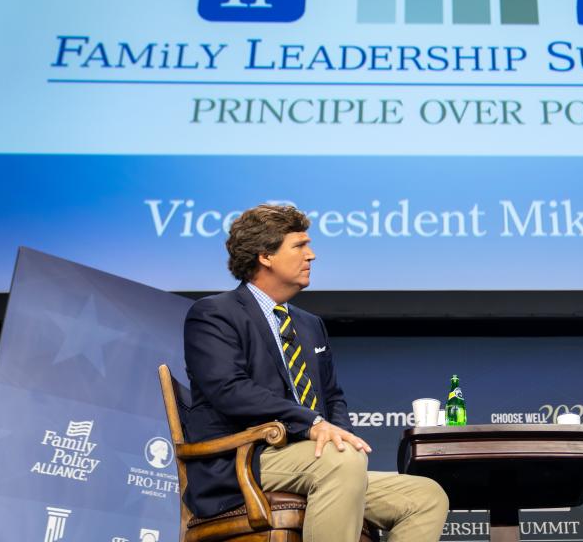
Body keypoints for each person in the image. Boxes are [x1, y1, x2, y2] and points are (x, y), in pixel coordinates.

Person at [183, 204, 448, 542]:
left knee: (425, 496)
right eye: (299, 246)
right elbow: (230, 390)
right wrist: (311, 423)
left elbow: (332, 395)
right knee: (341, 461)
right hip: (246, 462)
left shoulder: (310, 325)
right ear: (265, 255)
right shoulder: (213, 313)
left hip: (317, 460)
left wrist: (337, 432)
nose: (312, 255)